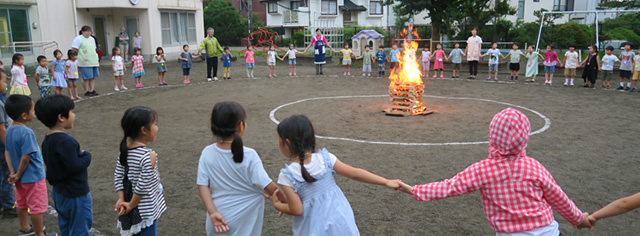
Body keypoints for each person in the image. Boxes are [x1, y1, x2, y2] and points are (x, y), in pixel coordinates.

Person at [397, 108, 593, 235]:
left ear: (492, 135)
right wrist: (579, 219)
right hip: (547, 232)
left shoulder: (483, 170)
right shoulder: (534, 166)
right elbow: (558, 197)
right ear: (525, 138)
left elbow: (450, 187)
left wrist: (413, 189)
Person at [266, 115, 400, 236]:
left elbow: (296, 209)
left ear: (287, 143)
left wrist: (277, 204)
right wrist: (385, 181)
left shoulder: (287, 175)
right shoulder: (326, 159)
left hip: (312, 227)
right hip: (340, 220)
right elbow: (355, 173)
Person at [197, 101, 285, 235]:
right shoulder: (249, 155)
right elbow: (269, 186)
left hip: (217, 220)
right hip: (244, 223)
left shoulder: (207, 152)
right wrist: (285, 202)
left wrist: (213, 212)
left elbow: (202, 185)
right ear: (241, 126)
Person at [36, 95, 92, 236]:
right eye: (72, 112)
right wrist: (86, 156)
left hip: (60, 192)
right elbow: (75, 167)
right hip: (75, 194)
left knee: (66, 226)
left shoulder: (47, 139)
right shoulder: (66, 142)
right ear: (61, 117)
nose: (74, 115)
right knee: (80, 229)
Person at [5, 95, 57, 236]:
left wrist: (13, 173)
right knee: (36, 207)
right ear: (24, 115)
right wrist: (19, 173)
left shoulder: (9, 129)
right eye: (32, 110)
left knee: (21, 203)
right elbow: (26, 157)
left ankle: (25, 227)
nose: (34, 113)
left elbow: (7, 152)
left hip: (18, 178)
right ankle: (39, 233)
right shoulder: (27, 132)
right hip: (32, 177)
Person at [114, 106, 166, 236]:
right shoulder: (148, 155)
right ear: (144, 130)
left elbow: (118, 176)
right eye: (155, 124)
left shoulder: (124, 151)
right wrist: (131, 204)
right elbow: (143, 185)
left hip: (128, 205)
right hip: (144, 210)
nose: (157, 128)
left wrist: (121, 199)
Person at [0, 65, 16, 219]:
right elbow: (1, 129)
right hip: (2, 145)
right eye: (4, 82)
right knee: (7, 174)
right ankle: (9, 205)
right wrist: (8, 147)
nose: (6, 85)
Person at [71, 25, 100, 96]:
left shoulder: (92, 39)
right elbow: (74, 49)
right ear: (82, 31)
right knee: (86, 77)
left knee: (93, 76)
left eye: (89, 31)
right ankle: (86, 90)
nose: (88, 32)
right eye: (86, 31)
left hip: (93, 60)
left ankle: (92, 89)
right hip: (84, 61)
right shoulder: (78, 39)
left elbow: (94, 49)